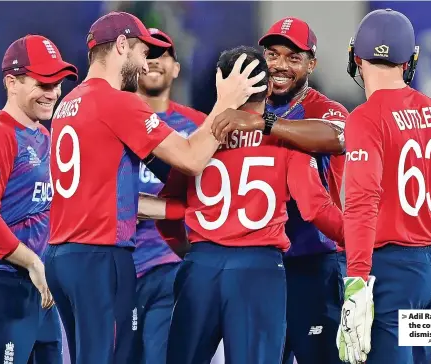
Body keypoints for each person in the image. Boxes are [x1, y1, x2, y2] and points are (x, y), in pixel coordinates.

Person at [43, 11, 266, 364]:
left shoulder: (67, 104)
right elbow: (191, 159)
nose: (144, 66)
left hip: (61, 255)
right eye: (140, 53)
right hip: (100, 257)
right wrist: (225, 101)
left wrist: (176, 209)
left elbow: (107, 191)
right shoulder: (117, 101)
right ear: (120, 45)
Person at [157, 45, 344, 364]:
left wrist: (190, 254)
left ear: (220, 83)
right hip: (259, 271)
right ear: (268, 86)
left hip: (201, 267)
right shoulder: (287, 140)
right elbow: (315, 209)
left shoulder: (195, 139)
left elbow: (168, 208)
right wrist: (363, 241)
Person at [336, 8, 431, 364]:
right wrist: (425, 236)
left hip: (394, 272)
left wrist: (356, 280)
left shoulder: (365, 118)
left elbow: (361, 200)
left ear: (356, 58)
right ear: (409, 61)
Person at [212, 17, 349, 364]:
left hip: (314, 262)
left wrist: (265, 123)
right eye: (273, 55)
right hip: (258, 265)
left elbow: (339, 137)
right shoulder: (245, 107)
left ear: (311, 64)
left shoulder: (325, 108)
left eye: (294, 57)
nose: (280, 66)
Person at [0, 34, 78, 364]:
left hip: (38, 290)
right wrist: (34, 262)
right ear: (12, 82)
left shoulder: (43, 136)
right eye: (43, 82)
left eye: (58, 84)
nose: (53, 93)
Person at [133, 28, 206, 364]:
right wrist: (174, 208)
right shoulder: (111, 120)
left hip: (172, 264)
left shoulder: (198, 126)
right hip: (117, 265)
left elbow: (210, 200)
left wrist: (142, 206)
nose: (153, 61)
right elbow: (102, 200)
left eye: (161, 54)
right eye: (145, 54)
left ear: (176, 67)